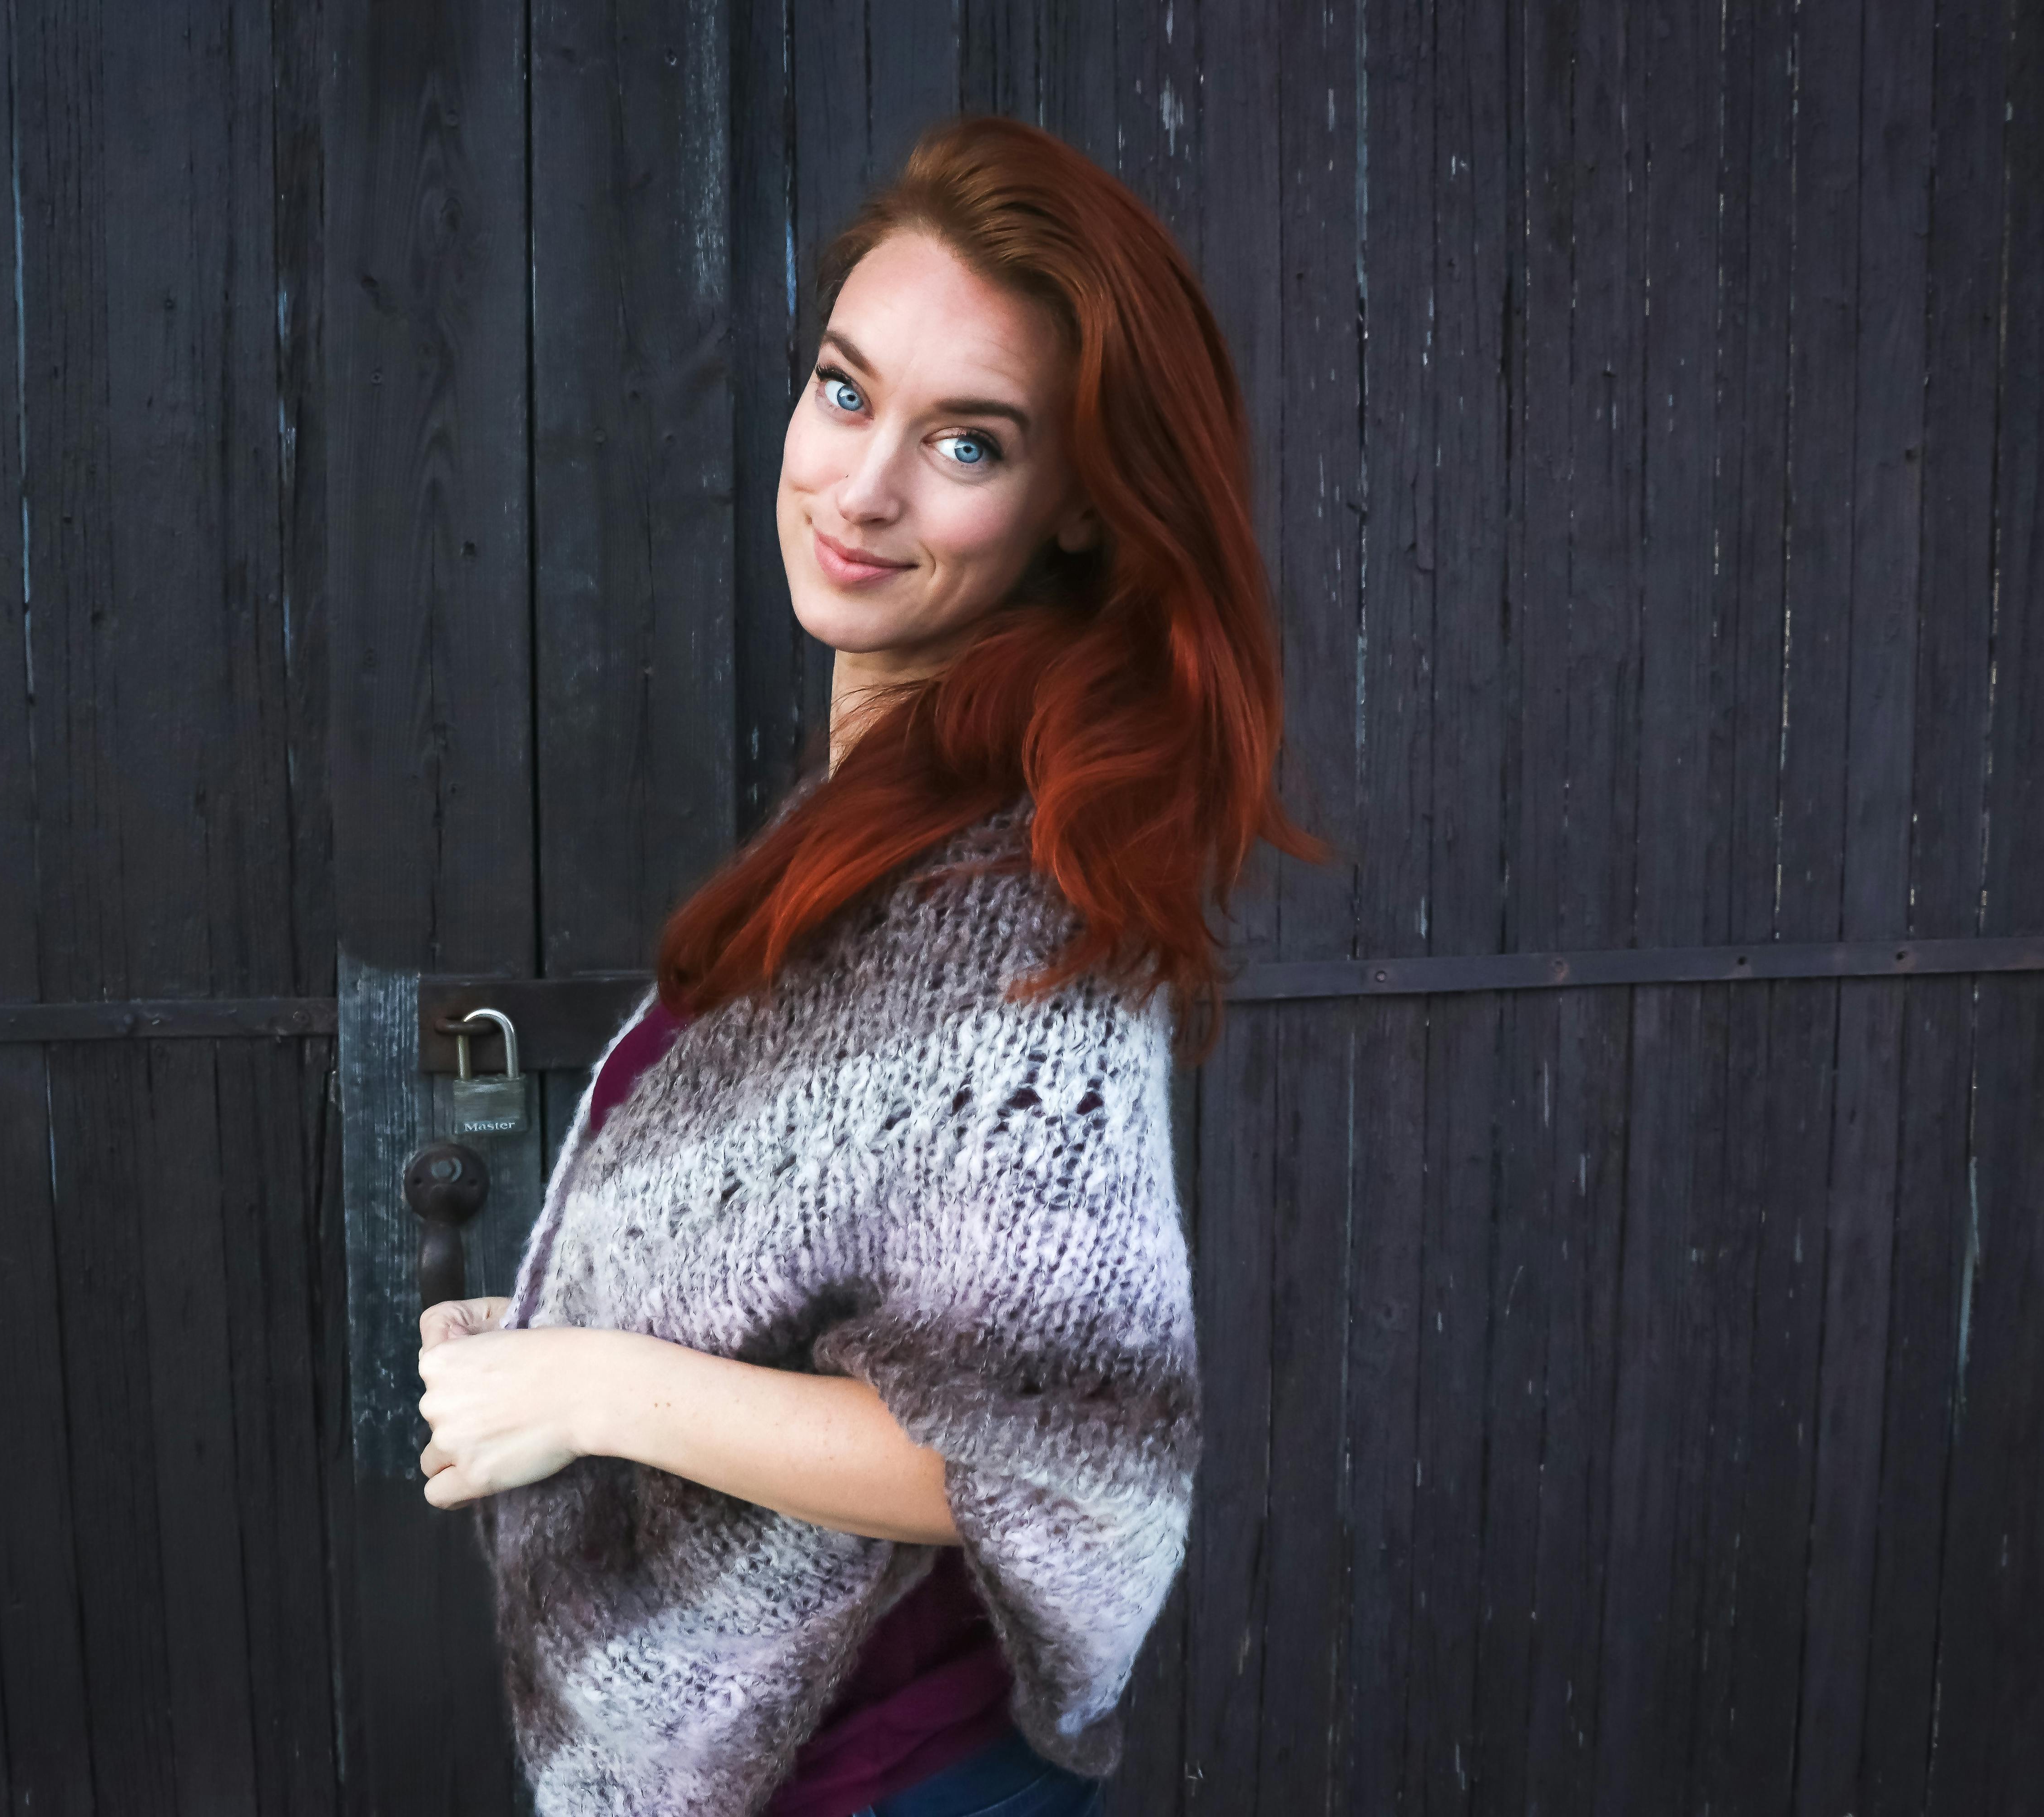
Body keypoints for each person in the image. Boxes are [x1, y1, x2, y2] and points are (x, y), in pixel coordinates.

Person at [411, 114, 1324, 1817]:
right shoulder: (874, 829)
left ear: (1075, 509)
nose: (863, 486)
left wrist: (593, 1383)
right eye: (846, 390)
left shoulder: (1013, 892)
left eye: (968, 444)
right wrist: (564, 1329)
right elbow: (823, 1283)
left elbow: (1029, 1441)